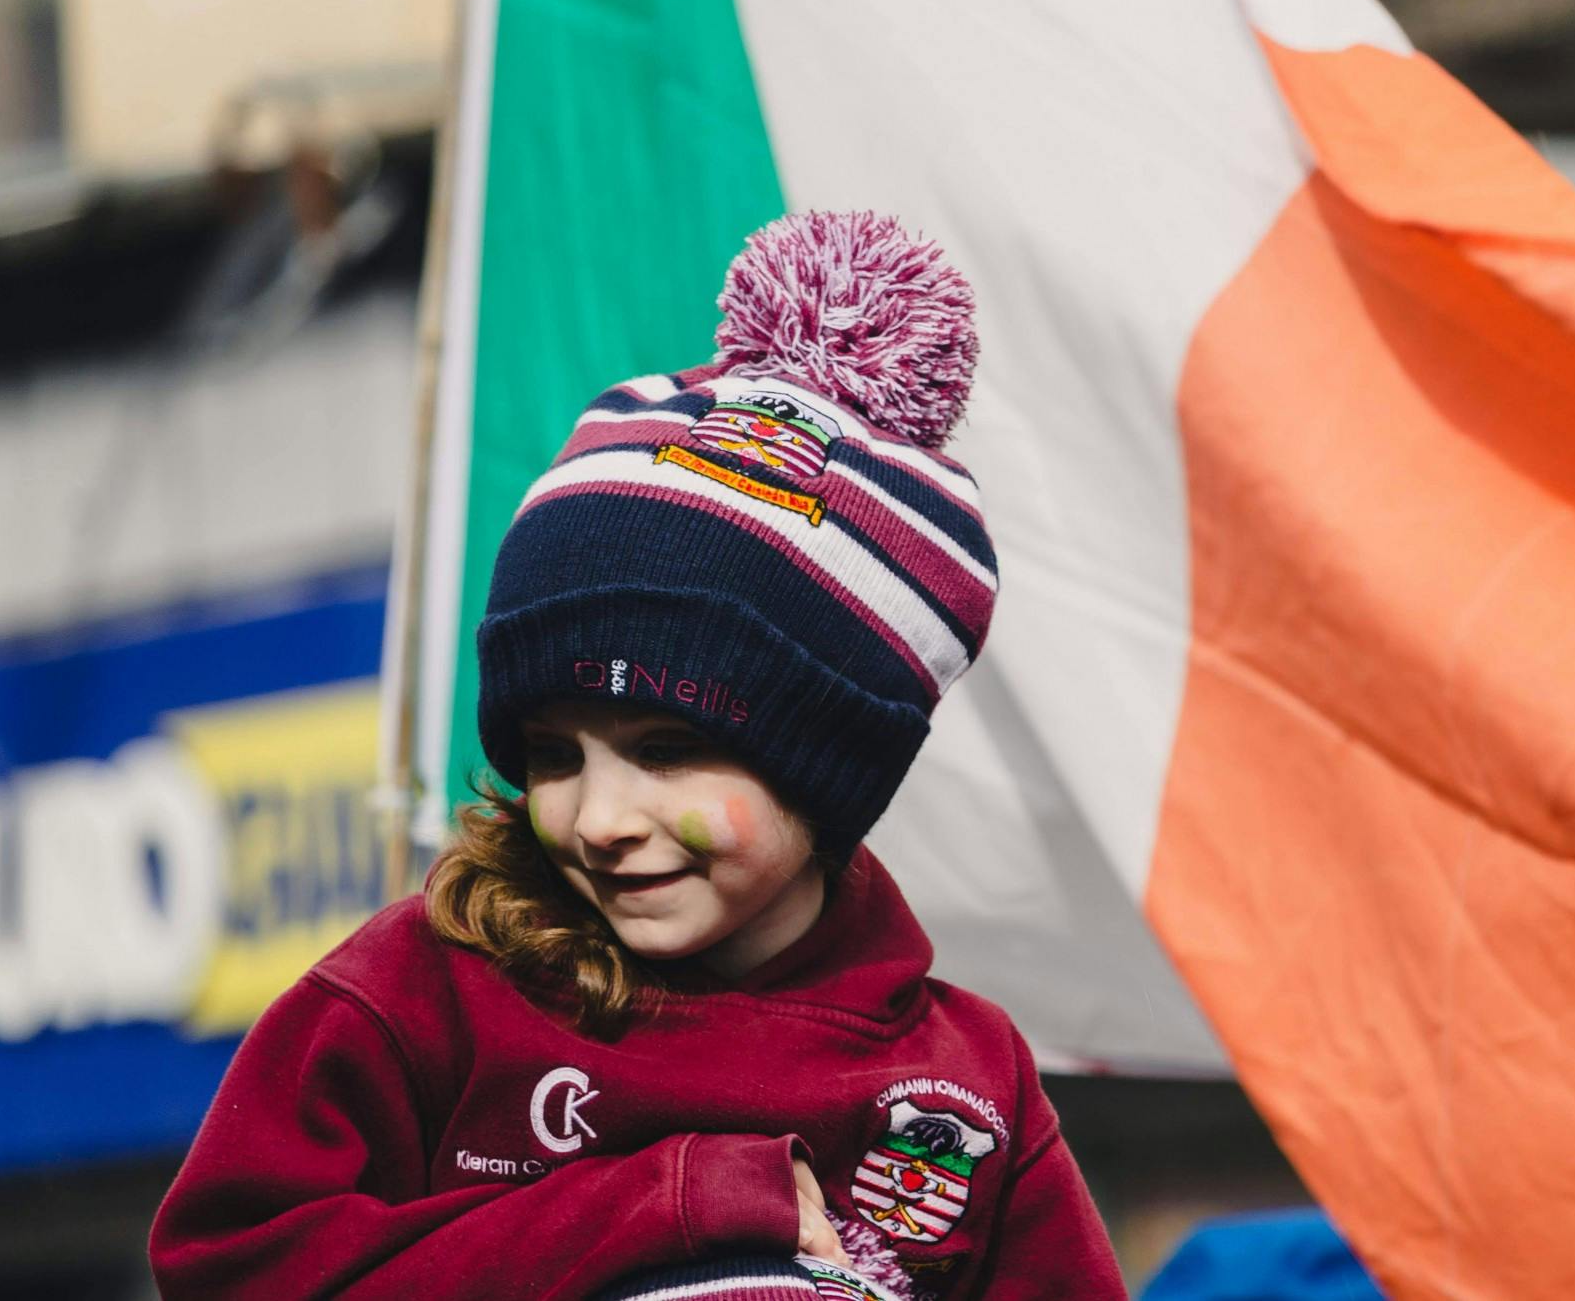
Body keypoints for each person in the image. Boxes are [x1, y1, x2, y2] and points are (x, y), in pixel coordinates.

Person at [148, 210, 1130, 1301]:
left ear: (831, 762)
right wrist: (671, 1203)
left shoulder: (969, 1087)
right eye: (553, 754)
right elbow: (233, 1274)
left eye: (666, 749)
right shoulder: (421, 993)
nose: (598, 816)